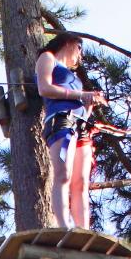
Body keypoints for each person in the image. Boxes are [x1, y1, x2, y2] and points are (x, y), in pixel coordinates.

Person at [35, 32, 105, 230]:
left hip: (81, 126)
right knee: (63, 174)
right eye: (79, 48)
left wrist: (90, 101)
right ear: (69, 42)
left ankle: (84, 230)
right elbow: (44, 88)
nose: (80, 55)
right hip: (62, 122)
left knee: (81, 183)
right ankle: (64, 225)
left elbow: (80, 102)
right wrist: (81, 94)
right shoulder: (47, 58)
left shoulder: (74, 78)